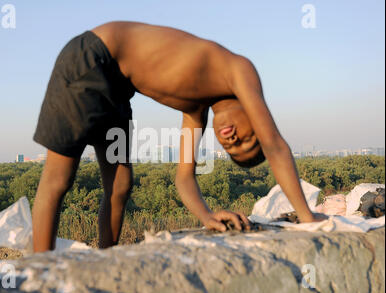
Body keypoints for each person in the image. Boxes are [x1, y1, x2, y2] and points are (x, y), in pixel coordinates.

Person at [32, 21, 325, 252]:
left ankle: (106, 259)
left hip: (117, 91)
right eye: (249, 141)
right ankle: (38, 272)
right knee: (59, 179)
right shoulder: (238, 69)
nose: (234, 143)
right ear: (257, 118)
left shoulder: (196, 110)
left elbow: (184, 177)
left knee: (120, 184)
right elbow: (274, 145)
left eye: (234, 152)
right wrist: (308, 219)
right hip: (93, 57)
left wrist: (207, 216)